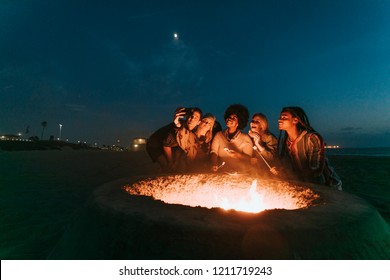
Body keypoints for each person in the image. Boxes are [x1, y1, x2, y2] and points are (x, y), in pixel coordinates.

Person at [274, 106, 342, 190]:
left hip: (327, 186)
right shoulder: (287, 142)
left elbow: (315, 170)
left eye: (284, 117)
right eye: (280, 117)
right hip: (305, 184)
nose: (279, 120)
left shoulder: (312, 138)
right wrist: (281, 170)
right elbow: (289, 164)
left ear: (295, 120)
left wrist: (291, 175)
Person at [146, 107, 202, 173]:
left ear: (199, 122)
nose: (192, 119)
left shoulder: (190, 132)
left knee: (176, 166)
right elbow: (166, 145)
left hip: (170, 146)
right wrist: (171, 161)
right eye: (191, 116)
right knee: (168, 167)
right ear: (187, 117)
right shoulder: (179, 128)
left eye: (196, 117)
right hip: (155, 145)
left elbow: (180, 147)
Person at [210, 104, 253, 173]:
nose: (230, 119)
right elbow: (213, 152)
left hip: (240, 173)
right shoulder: (219, 135)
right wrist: (214, 164)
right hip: (221, 172)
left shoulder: (245, 138)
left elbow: (248, 158)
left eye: (234, 118)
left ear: (239, 122)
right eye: (229, 116)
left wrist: (237, 155)